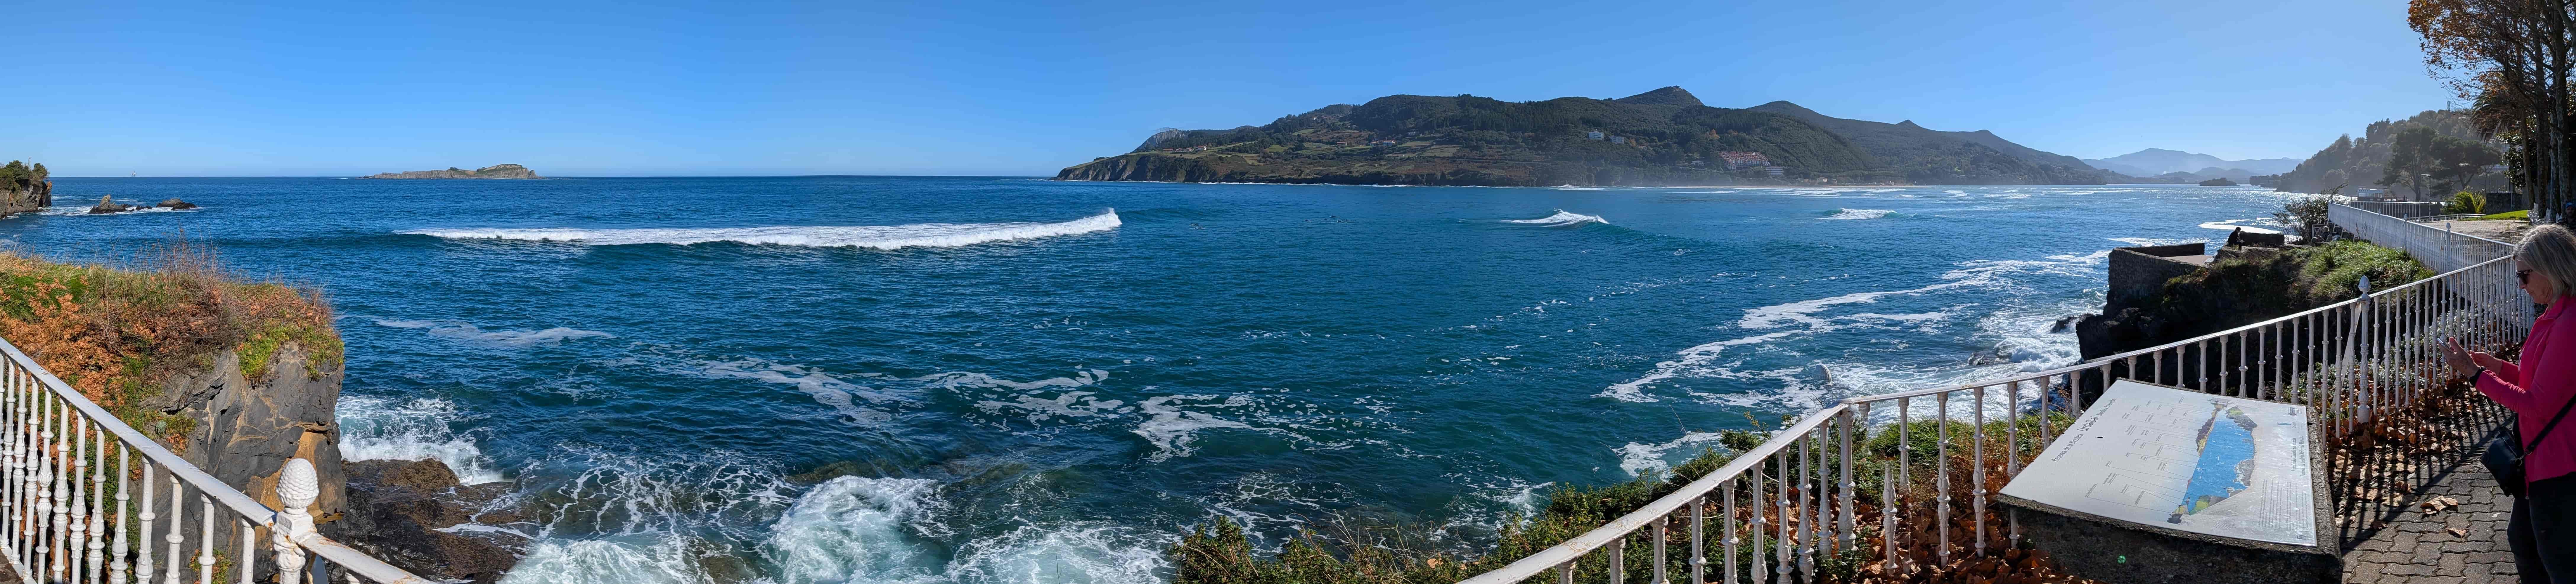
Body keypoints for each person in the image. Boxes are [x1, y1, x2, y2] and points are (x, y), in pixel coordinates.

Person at [2445, 223, 2576, 583]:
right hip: (2541, 459)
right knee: (2524, 542)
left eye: (2524, 275)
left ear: (2551, 269)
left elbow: (2536, 404)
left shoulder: (2568, 323)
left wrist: (2475, 375)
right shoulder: (2556, 312)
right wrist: (2498, 368)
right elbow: (2545, 384)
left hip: (2559, 465)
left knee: (2558, 563)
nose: (2521, 285)